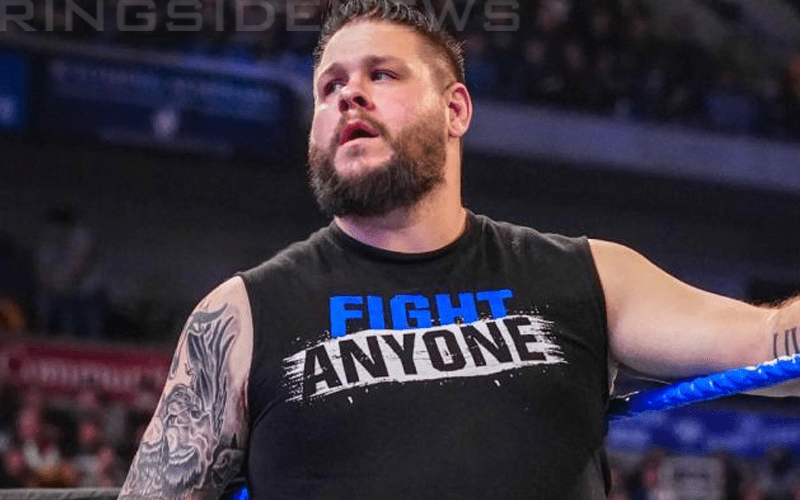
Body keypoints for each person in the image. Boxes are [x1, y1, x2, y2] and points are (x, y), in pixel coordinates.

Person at [118, 1, 800, 499]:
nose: (348, 94)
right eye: (329, 86)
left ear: (455, 110)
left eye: (382, 74)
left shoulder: (584, 275)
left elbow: (769, 347)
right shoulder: (241, 315)